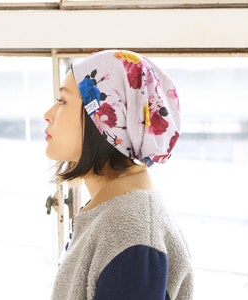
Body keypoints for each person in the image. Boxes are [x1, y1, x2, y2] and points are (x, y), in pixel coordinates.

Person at [44, 50, 193, 300]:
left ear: (105, 119)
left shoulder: (132, 237)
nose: (48, 113)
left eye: (63, 101)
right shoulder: (116, 216)